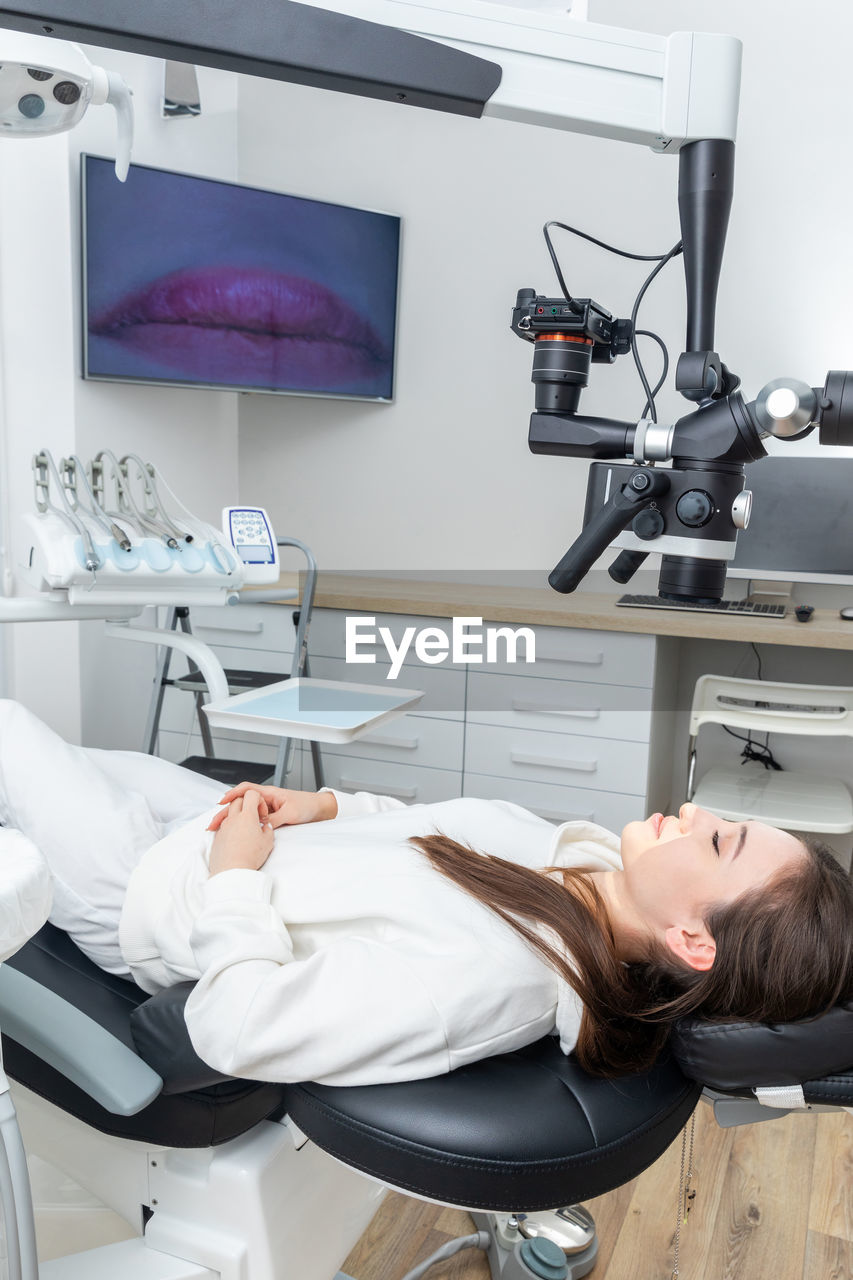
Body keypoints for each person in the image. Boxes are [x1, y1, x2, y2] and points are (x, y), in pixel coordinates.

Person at [0, 699, 849, 1087]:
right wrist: (326, 805)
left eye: (716, 839)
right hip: (217, 829)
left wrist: (232, 875)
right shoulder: (578, 868)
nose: (695, 810)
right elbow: (428, 829)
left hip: (147, 893)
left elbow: (236, 1030)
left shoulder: (488, 977)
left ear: (693, 941)